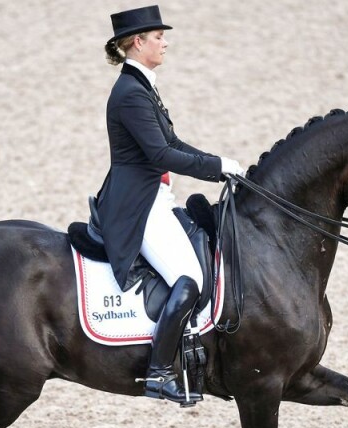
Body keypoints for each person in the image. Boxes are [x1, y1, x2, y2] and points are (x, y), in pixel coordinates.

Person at [95, 5, 245, 405]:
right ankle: (159, 372)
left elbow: (174, 145)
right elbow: (162, 153)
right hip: (138, 207)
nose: (165, 42)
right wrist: (216, 168)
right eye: (158, 36)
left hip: (156, 198)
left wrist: (221, 165)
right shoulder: (129, 93)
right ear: (137, 42)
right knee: (190, 278)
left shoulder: (144, 87)